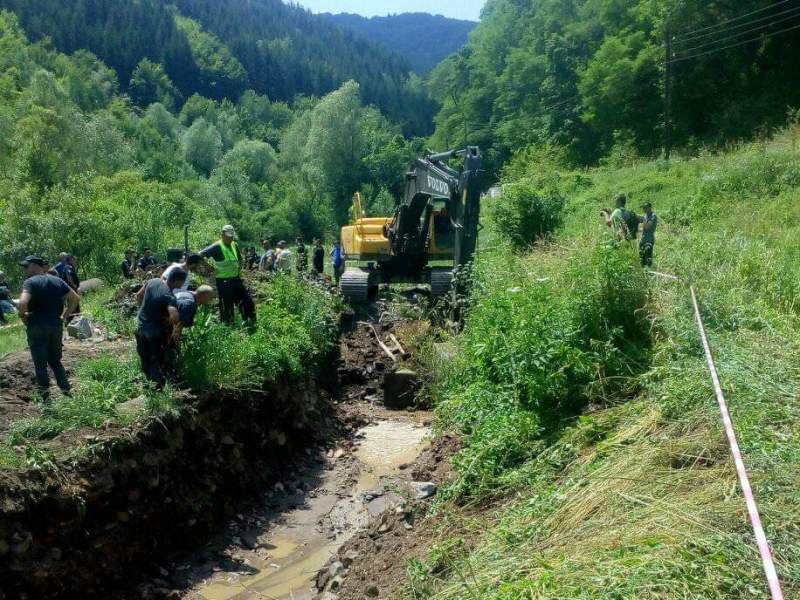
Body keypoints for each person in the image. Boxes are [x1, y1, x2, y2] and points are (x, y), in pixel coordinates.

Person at [17, 256, 80, 400]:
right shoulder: (57, 280)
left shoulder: (30, 282)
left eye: (26, 267)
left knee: (40, 364)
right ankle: (66, 392)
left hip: (37, 325)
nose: (25, 270)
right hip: (55, 326)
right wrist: (64, 316)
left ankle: (45, 398)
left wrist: (23, 317)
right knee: (55, 361)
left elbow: (22, 303)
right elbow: (75, 298)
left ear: (34, 266)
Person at [135, 268, 186, 386]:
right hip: (155, 332)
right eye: (183, 281)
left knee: (145, 359)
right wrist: (167, 321)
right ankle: (159, 391)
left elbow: (138, 296)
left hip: (140, 328)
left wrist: (144, 312)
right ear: (178, 281)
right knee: (156, 361)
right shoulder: (169, 296)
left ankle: (148, 387)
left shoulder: (153, 281)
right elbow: (175, 317)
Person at [200, 225, 256, 325]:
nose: (230, 238)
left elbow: (239, 258)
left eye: (232, 236)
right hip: (223, 282)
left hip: (236, 279)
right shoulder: (216, 246)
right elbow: (200, 255)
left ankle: (249, 321)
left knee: (246, 300)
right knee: (227, 305)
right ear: (222, 234)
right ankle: (228, 326)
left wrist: (239, 266)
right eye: (228, 236)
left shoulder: (234, 244)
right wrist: (210, 268)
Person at [639, 202, 658, 267]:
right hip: (643, 239)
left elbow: (647, 226)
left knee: (648, 258)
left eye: (645, 208)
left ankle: (649, 272)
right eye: (643, 208)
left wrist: (642, 220)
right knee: (641, 258)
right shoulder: (645, 216)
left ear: (650, 208)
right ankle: (644, 273)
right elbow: (643, 227)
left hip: (649, 239)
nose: (644, 209)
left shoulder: (653, 216)